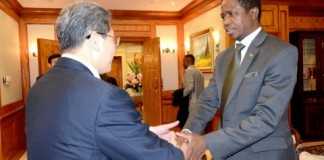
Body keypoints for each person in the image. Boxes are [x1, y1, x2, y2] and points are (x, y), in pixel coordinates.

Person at [26, 2, 191, 160]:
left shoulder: (38, 87)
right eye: (114, 39)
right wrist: (183, 150)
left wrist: (144, 133)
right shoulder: (106, 96)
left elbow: (75, 136)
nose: (115, 46)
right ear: (97, 41)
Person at [179, 0, 298, 159]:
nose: (226, 22)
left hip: (266, 154)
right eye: (223, 16)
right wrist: (186, 134)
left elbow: (265, 118)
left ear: (253, 13)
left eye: (232, 14)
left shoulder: (281, 53)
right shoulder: (223, 58)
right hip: (228, 153)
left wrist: (207, 142)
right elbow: (208, 102)